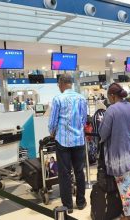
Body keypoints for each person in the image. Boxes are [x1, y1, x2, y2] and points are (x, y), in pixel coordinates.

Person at [99, 83, 130, 220]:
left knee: (124, 183)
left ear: (112, 96)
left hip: (120, 153)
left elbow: (103, 133)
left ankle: (129, 215)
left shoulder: (111, 110)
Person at [48, 74, 87, 213]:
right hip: (79, 141)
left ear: (61, 83)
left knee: (64, 173)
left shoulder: (58, 99)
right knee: (79, 171)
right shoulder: (81, 98)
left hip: (63, 142)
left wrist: (52, 133)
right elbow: (84, 120)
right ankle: (81, 202)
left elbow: (52, 122)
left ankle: (68, 206)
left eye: (58, 84)